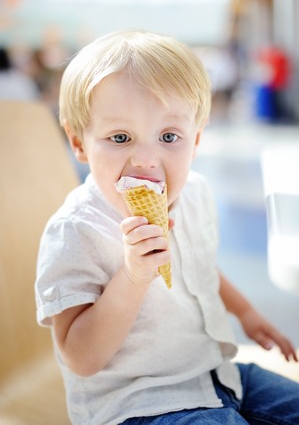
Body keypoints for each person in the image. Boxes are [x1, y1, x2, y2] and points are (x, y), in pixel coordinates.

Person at [35, 30, 298, 425]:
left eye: (169, 137)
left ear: (196, 139)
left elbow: (199, 263)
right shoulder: (75, 232)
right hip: (138, 404)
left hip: (217, 376)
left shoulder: (195, 193)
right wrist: (134, 274)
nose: (145, 159)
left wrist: (245, 312)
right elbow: (80, 357)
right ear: (79, 143)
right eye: (120, 137)